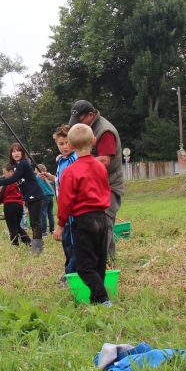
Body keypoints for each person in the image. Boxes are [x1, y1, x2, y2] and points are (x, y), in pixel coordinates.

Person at [54, 123, 112, 306]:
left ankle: (103, 298)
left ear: (70, 146)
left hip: (84, 221)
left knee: (84, 266)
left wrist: (60, 224)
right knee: (99, 261)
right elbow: (106, 189)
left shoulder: (70, 171)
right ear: (94, 141)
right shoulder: (100, 167)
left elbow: (65, 200)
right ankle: (96, 300)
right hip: (102, 218)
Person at [67, 100, 123, 259]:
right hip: (96, 185)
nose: (78, 125)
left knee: (104, 226)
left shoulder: (104, 131)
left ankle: (102, 266)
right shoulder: (90, 129)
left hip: (109, 186)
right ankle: (107, 262)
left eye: (80, 120)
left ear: (91, 115)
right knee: (100, 227)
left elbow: (105, 160)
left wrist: (80, 164)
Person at [0, 142, 45, 254]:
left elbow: (12, 179)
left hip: (36, 195)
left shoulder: (23, 163)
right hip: (29, 197)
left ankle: (37, 249)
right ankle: (36, 248)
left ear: (22, 152)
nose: (16, 153)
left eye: (18, 151)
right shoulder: (17, 166)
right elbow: (7, 176)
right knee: (34, 223)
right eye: (13, 151)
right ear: (11, 154)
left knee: (35, 223)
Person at [50, 124, 78, 279]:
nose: (65, 146)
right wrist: (51, 178)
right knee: (67, 242)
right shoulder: (61, 161)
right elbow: (61, 182)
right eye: (61, 144)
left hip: (74, 211)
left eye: (68, 142)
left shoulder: (75, 159)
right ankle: (70, 270)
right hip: (63, 209)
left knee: (74, 243)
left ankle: (71, 274)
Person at [0, 162, 31, 246]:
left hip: (9, 206)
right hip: (19, 205)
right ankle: (28, 242)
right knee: (17, 226)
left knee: (12, 227)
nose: (4, 175)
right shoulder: (19, 181)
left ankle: (15, 245)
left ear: (11, 172)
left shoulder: (7, 182)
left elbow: (2, 194)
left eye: (5, 173)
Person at [36, 163, 56, 236]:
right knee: (50, 214)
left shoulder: (38, 177)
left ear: (38, 170)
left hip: (44, 197)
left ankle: (44, 232)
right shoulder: (49, 177)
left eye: (35, 170)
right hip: (51, 196)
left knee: (43, 214)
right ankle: (52, 230)